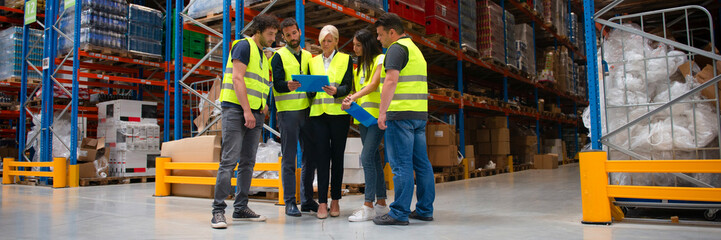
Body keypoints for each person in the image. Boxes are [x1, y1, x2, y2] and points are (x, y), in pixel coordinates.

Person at [211, 14, 278, 229]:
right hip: (236, 110)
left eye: (275, 34)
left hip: (255, 112)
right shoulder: (243, 46)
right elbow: (238, 78)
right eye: (270, 34)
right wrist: (247, 110)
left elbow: (258, 83)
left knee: (248, 162)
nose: (273, 38)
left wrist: (264, 104)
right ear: (258, 31)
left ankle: (240, 208)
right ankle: (218, 211)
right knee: (229, 161)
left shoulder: (262, 55)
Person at [372, 13, 435, 226]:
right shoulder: (415, 50)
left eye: (380, 35)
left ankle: (398, 213)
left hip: (400, 115)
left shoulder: (396, 49)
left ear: (392, 32)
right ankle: (425, 210)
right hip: (418, 115)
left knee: (401, 165)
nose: (379, 39)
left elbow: (390, 81)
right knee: (422, 164)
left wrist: (382, 112)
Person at [341, 29, 390, 222]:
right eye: (353, 45)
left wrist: (353, 96)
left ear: (367, 45)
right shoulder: (359, 68)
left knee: (367, 157)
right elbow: (360, 89)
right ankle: (382, 205)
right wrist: (349, 101)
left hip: (377, 117)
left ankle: (368, 204)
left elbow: (373, 85)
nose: (354, 49)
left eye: (358, 45)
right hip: (363, 118)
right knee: (375, 159)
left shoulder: (380, 60)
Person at [307, 25, 354, 219]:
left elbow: (348, 85)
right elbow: (310, 89)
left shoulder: (346, 59)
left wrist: (337, 91)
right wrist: (307, 87)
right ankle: (323, 203)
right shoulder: (313, 61)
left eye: (329, 40)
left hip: (339, 114)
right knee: (322, 158)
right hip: (318, 113)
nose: (325, 44)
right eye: (323, 40)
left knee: (337, 157)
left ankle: (335, 199)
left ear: (336, 41)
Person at [270, 17, 315, 217]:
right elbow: (277, 84)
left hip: (307, 111)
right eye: (287, 35)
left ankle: (306, 200)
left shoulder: (308, 56)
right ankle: (289, 202)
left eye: (294, 33)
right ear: (283, 37)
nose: (292, 37)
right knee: (289, 158)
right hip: (288, 113)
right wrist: (286, 85)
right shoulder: (278, 57)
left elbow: (311, 83)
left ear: (299, 32)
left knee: (309, 157)